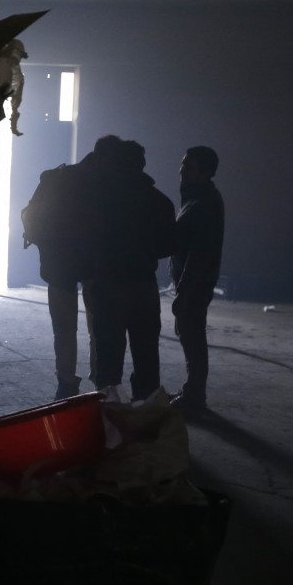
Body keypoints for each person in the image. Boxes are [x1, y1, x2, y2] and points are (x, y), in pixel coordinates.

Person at [22, 136, 121, 399]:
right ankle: (98, 381)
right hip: (94, 267)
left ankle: (66, 382)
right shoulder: (108, 185)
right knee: (96, 328)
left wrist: (47, 249)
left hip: (61, 266)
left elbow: (31, 216)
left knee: (64, 328)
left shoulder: (58, 178)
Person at [81, 139, 177, 402]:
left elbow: (86, 237)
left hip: (108, 284)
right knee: (146, 354)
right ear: (142, 166)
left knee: (108, 357)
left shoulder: (101, 199)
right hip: (144, 285)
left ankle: (109, 416)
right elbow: (169, 244)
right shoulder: (159, 201)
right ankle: (147, 413)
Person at [169, 146, 224, 415]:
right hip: (190, 283)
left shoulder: (204, 204)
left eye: (188, 167)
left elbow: (200, 255)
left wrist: (185, 291)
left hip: (194, 285)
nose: (181, 170)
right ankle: (192, 392)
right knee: (188, 333)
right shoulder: (195, 198)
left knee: (192, 337)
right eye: (182, 165)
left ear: (205, 172)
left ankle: (194, 396)